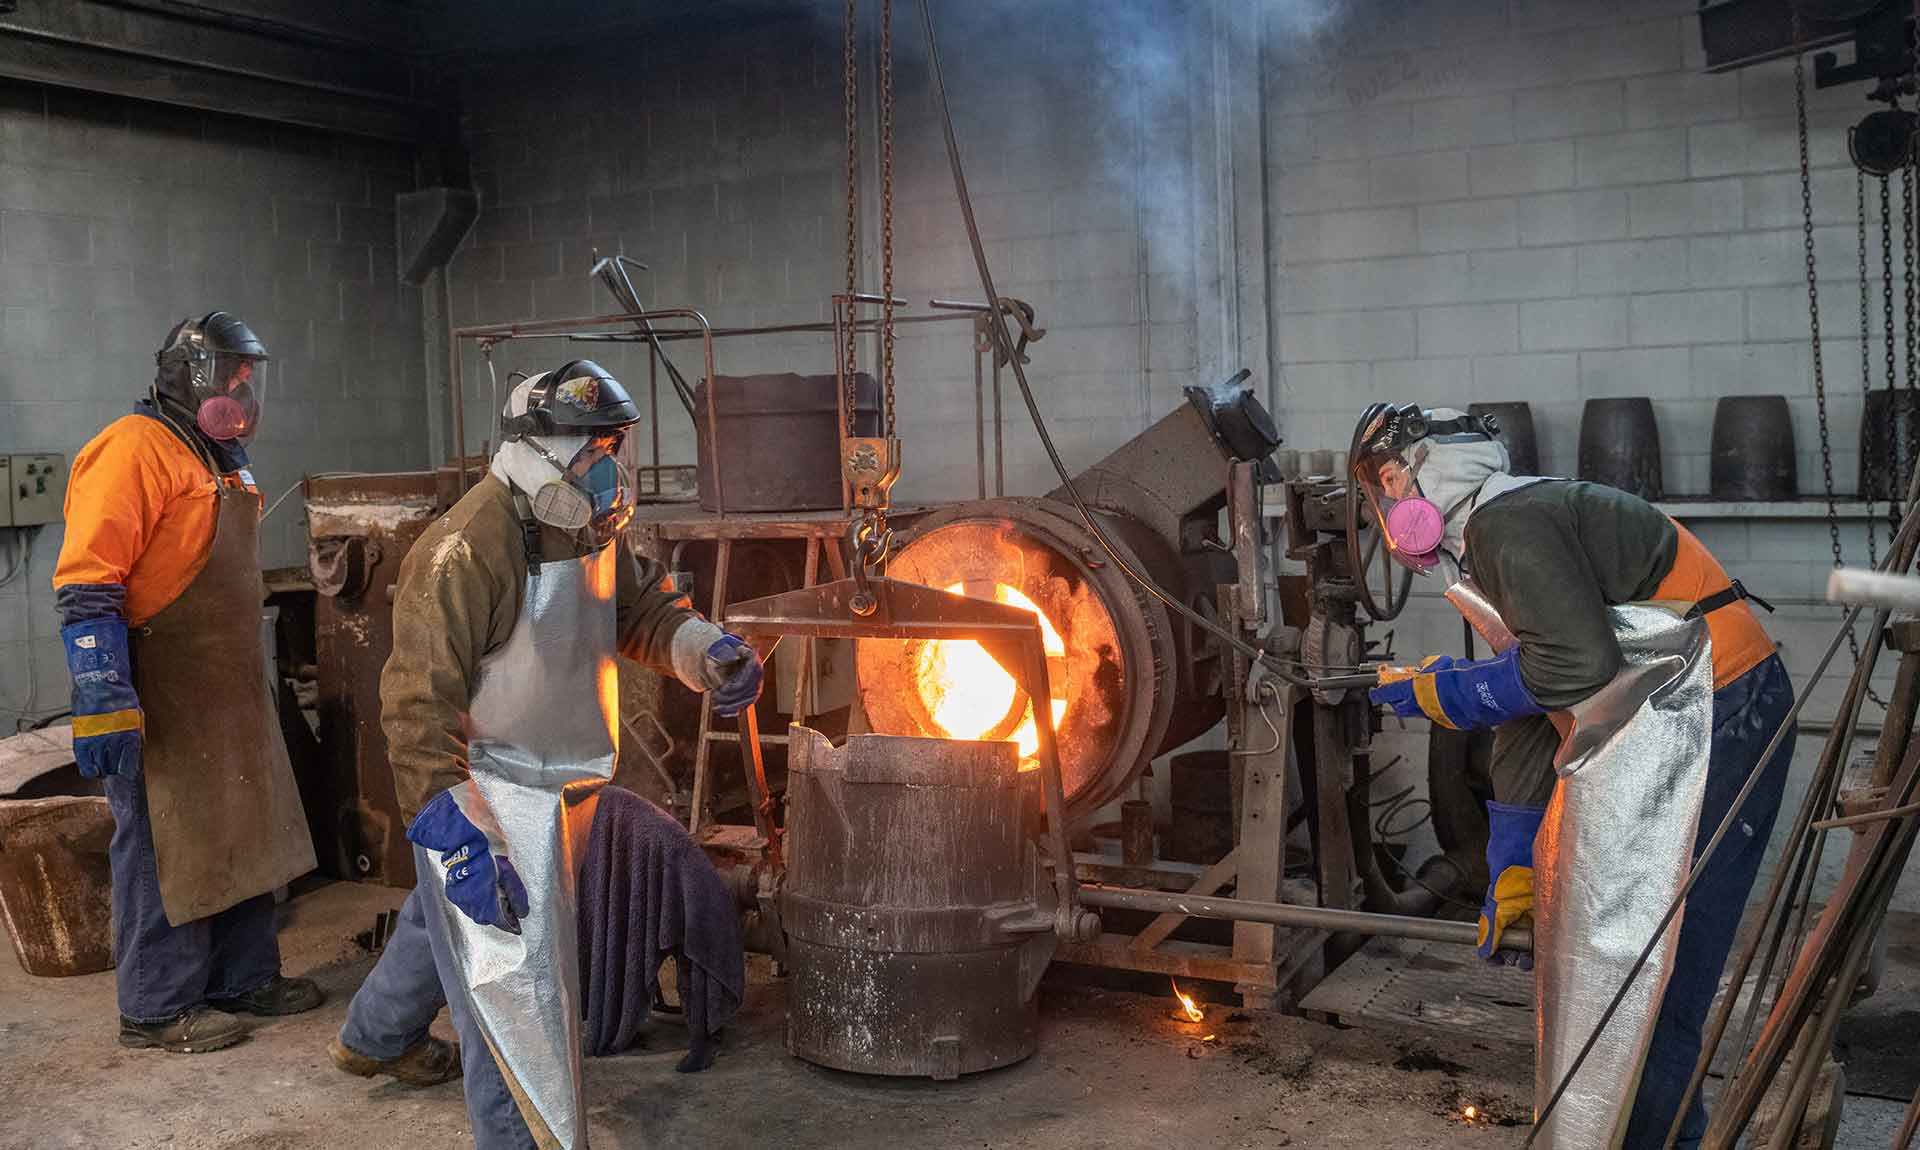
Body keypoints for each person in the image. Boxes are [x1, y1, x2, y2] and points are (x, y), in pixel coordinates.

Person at [329, 360, 762, 1149]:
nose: (611, 468)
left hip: (563, 783)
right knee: (511, 998)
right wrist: (453, 835)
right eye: (595, 449)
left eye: (616, 447)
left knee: (443, 923)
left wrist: (707, 651)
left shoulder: (586, 524)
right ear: (540, 453)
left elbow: (638, 609)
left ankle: (375, 1037)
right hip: (490, 800)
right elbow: (416, 707)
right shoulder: (463, 550)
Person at [1353, 403, 1794, 1148]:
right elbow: (1541, 703)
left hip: (1722, 715)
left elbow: (1574, 666)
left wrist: (1454, 692)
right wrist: (1514, 863)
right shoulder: (1497, 530)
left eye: (1379, 500)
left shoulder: (1506, 525)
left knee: (1653, 986)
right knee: (1625, 984)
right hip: (1688, 718)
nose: (1385, 520)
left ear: (1401, 480)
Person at [54, 312, 323, 1053]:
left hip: (226, 682)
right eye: (231, 372)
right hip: (162, 680)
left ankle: (243, 979)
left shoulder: (222, 457)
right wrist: (103, 692)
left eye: (249, 373)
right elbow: (87, 583)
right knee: (160, 844)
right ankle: (156, 1006)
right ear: (188, 375)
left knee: (241, 830)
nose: (243, 386)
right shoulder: (132, 449)